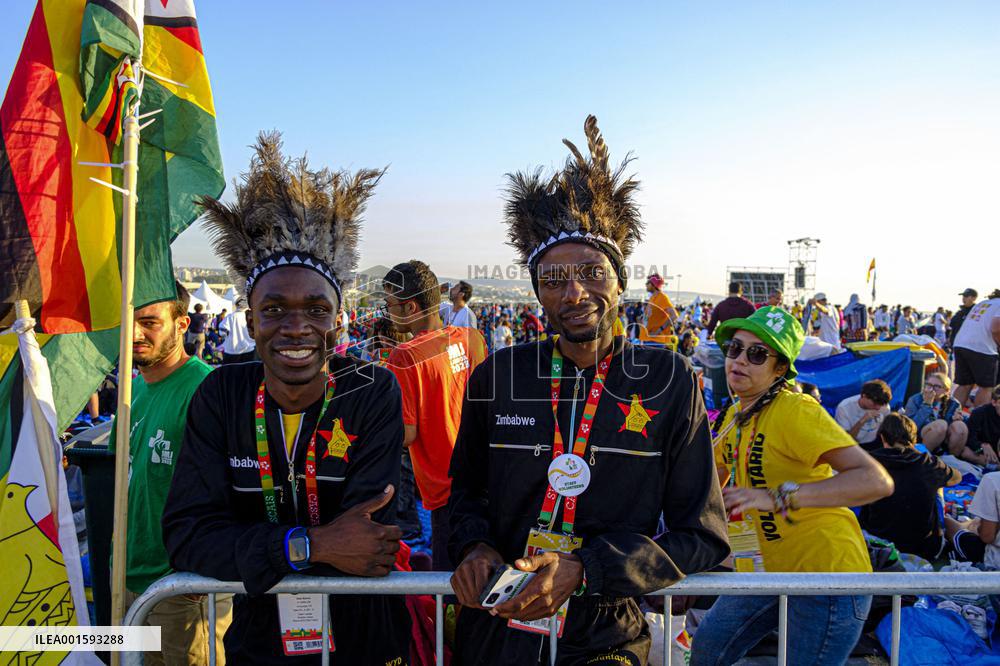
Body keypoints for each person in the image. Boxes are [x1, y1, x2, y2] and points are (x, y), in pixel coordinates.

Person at [449, 116, 728, 665]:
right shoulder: (498, 374)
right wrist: (473, 545)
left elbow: (704, 536)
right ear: (537, 296)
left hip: (606, 632)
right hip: (497, 621)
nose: (574, 292)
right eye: (553, 280)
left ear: (619, 280)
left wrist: (588, 569)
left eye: (591, 272)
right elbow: (464, 496)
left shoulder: (670, 380)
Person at [161, 133, 410, 664]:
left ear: (338, 320)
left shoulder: (371, 389)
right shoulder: (222, 395)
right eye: (274, 311)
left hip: (365, 637)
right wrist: (311, 546)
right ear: (250, 321)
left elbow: (373, 540)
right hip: (261, 639)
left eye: (316, 309)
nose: (296, 328)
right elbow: (188, 536)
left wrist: (254, 546)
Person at [690, 307, 893, 666]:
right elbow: (710, 487)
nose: (739, 360)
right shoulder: (732, 416)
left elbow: (875, 481)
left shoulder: (795, 409)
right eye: (735, 348)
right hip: (767, 570)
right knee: (707, 649)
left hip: (828, 579)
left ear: (780, 368)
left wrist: (778, 497)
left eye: (757, 354)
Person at [111, 282, 230, 665]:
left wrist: (202, 572)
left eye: (149, 322)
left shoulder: (205, 388)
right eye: (127, 322)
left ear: (182, 324)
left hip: (181, 589)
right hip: (130, 580)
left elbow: (235, 486)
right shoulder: (133, 392)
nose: (134, 334)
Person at [383, 259, 487, 570]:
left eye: (390, 304)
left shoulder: (403, 356)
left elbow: (407, 433)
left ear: (410, 307)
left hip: (446, 488)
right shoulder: (473, 339)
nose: (388, 312)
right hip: (485, 478)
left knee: (451, 589)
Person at [859, 414, 962, 561]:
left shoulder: (869, 462)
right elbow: (957, 478)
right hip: (924, 548)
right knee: (938, 482)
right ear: (913, 439)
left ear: (882, 437)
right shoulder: (928, 462)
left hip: (879, 545)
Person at [952, 290, 1000, 408]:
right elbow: (996, 328)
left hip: (961, 344)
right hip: (982, 348)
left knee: (965, 384)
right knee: (986, 387)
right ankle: (978, 421)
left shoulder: (984, 303)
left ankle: (949, 415)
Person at [902, 372, 967, 457]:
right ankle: (922, 457)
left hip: (944, 442)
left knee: (960, 426)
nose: (931, 389)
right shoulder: (915, 399)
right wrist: (927, 405)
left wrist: (955, 420)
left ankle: (951, 458)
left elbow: (954, 428)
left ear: (947, 391)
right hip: (920, 440)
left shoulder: (953, 403)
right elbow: (911, 428)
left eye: (937, 386)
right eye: (929, 385)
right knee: (940, 425)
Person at [834, 380, 893, 449]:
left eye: (881, 404)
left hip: (874, 443)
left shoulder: (885, 407)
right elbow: (846, 439)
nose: (878, 408)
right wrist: (863, 420)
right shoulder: (844, 408)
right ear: (863, 396)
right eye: (874, 403)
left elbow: (884, 428)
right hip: (853, 445)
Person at [638, 273, 678, 344]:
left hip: (656, 341)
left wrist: (657, 331)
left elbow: (674, 316)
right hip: (647, 339)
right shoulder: (652, 297)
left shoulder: (662, 297)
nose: (646, 284)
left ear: (654, 285)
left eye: (648, 282)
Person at [965, 388, 1000, 467]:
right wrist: (982, 446)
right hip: (983, 452)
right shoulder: (980, 413)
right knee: (965, 452)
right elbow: (970, 439)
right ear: (994, 402)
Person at [219, 297, 257, 364]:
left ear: (236, 305)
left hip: (232, 350)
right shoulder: (251, 316)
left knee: (231, 373)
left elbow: (222, 332)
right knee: (247, 373)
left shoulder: (230, 317)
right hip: (248, 349)